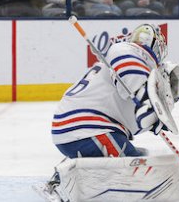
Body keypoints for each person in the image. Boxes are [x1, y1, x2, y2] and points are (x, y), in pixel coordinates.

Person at [52, 24, 170, 158]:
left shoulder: (119, 68)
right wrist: (148, 103)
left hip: (76, 130)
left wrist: (152, 118)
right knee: (135, 167)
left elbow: (131, 119)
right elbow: (122, 54)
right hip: (89, 130)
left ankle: (76, 170)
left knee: (137, 154)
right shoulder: (128, 53)